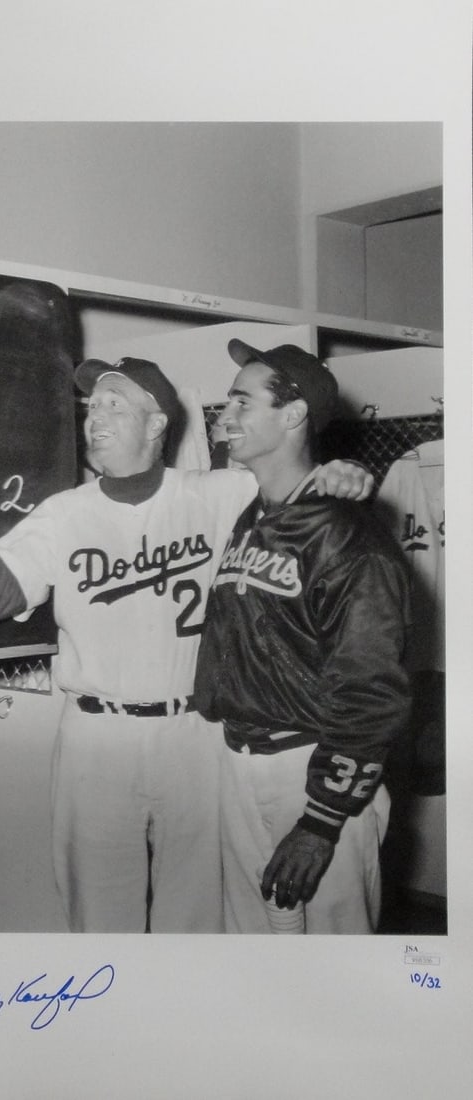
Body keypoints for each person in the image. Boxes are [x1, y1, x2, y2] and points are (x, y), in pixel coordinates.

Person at [0, 356, 371, 933]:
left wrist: (343, 472)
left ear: (157, 423)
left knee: (197, 917)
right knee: (99, 916)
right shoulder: (64, 513)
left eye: (114, 403)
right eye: (91, 407)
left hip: (194, 733)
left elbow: (298, 474)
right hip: (95, 735)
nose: (95, 416)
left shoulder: (219, 493)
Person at [193, 340, 411, 934]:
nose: (224, 416)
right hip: (240, 760)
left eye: (242, 401)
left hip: (310, 767)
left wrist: (322, 819)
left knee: (336, 966)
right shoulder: (252, 518)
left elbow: (371, 690)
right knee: (256, 955)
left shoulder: (349, 536)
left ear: (293, 416)